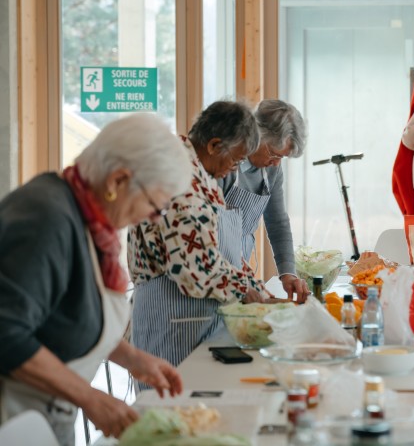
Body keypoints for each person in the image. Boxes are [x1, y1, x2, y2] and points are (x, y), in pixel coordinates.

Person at [0, 114, 189, 443]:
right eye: (154, 206)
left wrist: (132, 358)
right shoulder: (47, 218)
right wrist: (90, 397)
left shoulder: (89, 221)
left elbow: (66, 317)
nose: (154, 219)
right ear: (117, 181)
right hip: (13, 421)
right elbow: (6, 331)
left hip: (44, 417)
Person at [128, 100, 272, 370]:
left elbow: (222, 251)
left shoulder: (202, 175)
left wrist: (258, 288)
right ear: (214, 145)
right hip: (170, 324)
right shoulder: (176, 178)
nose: (235, 168)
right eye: (236, 159)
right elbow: (197, 270)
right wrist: (247, 289)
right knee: (172, 409)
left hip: (195, 320)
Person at [219, 99, 310, 303]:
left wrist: (288, 273)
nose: (276, 163)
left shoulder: (272, 169)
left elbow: (278, 222)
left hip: (240, 265)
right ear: (257, 135)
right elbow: (211, 233)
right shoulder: (224, 165)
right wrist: (239, 282)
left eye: (282, 158)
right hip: (215, 264)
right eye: (274, 154)